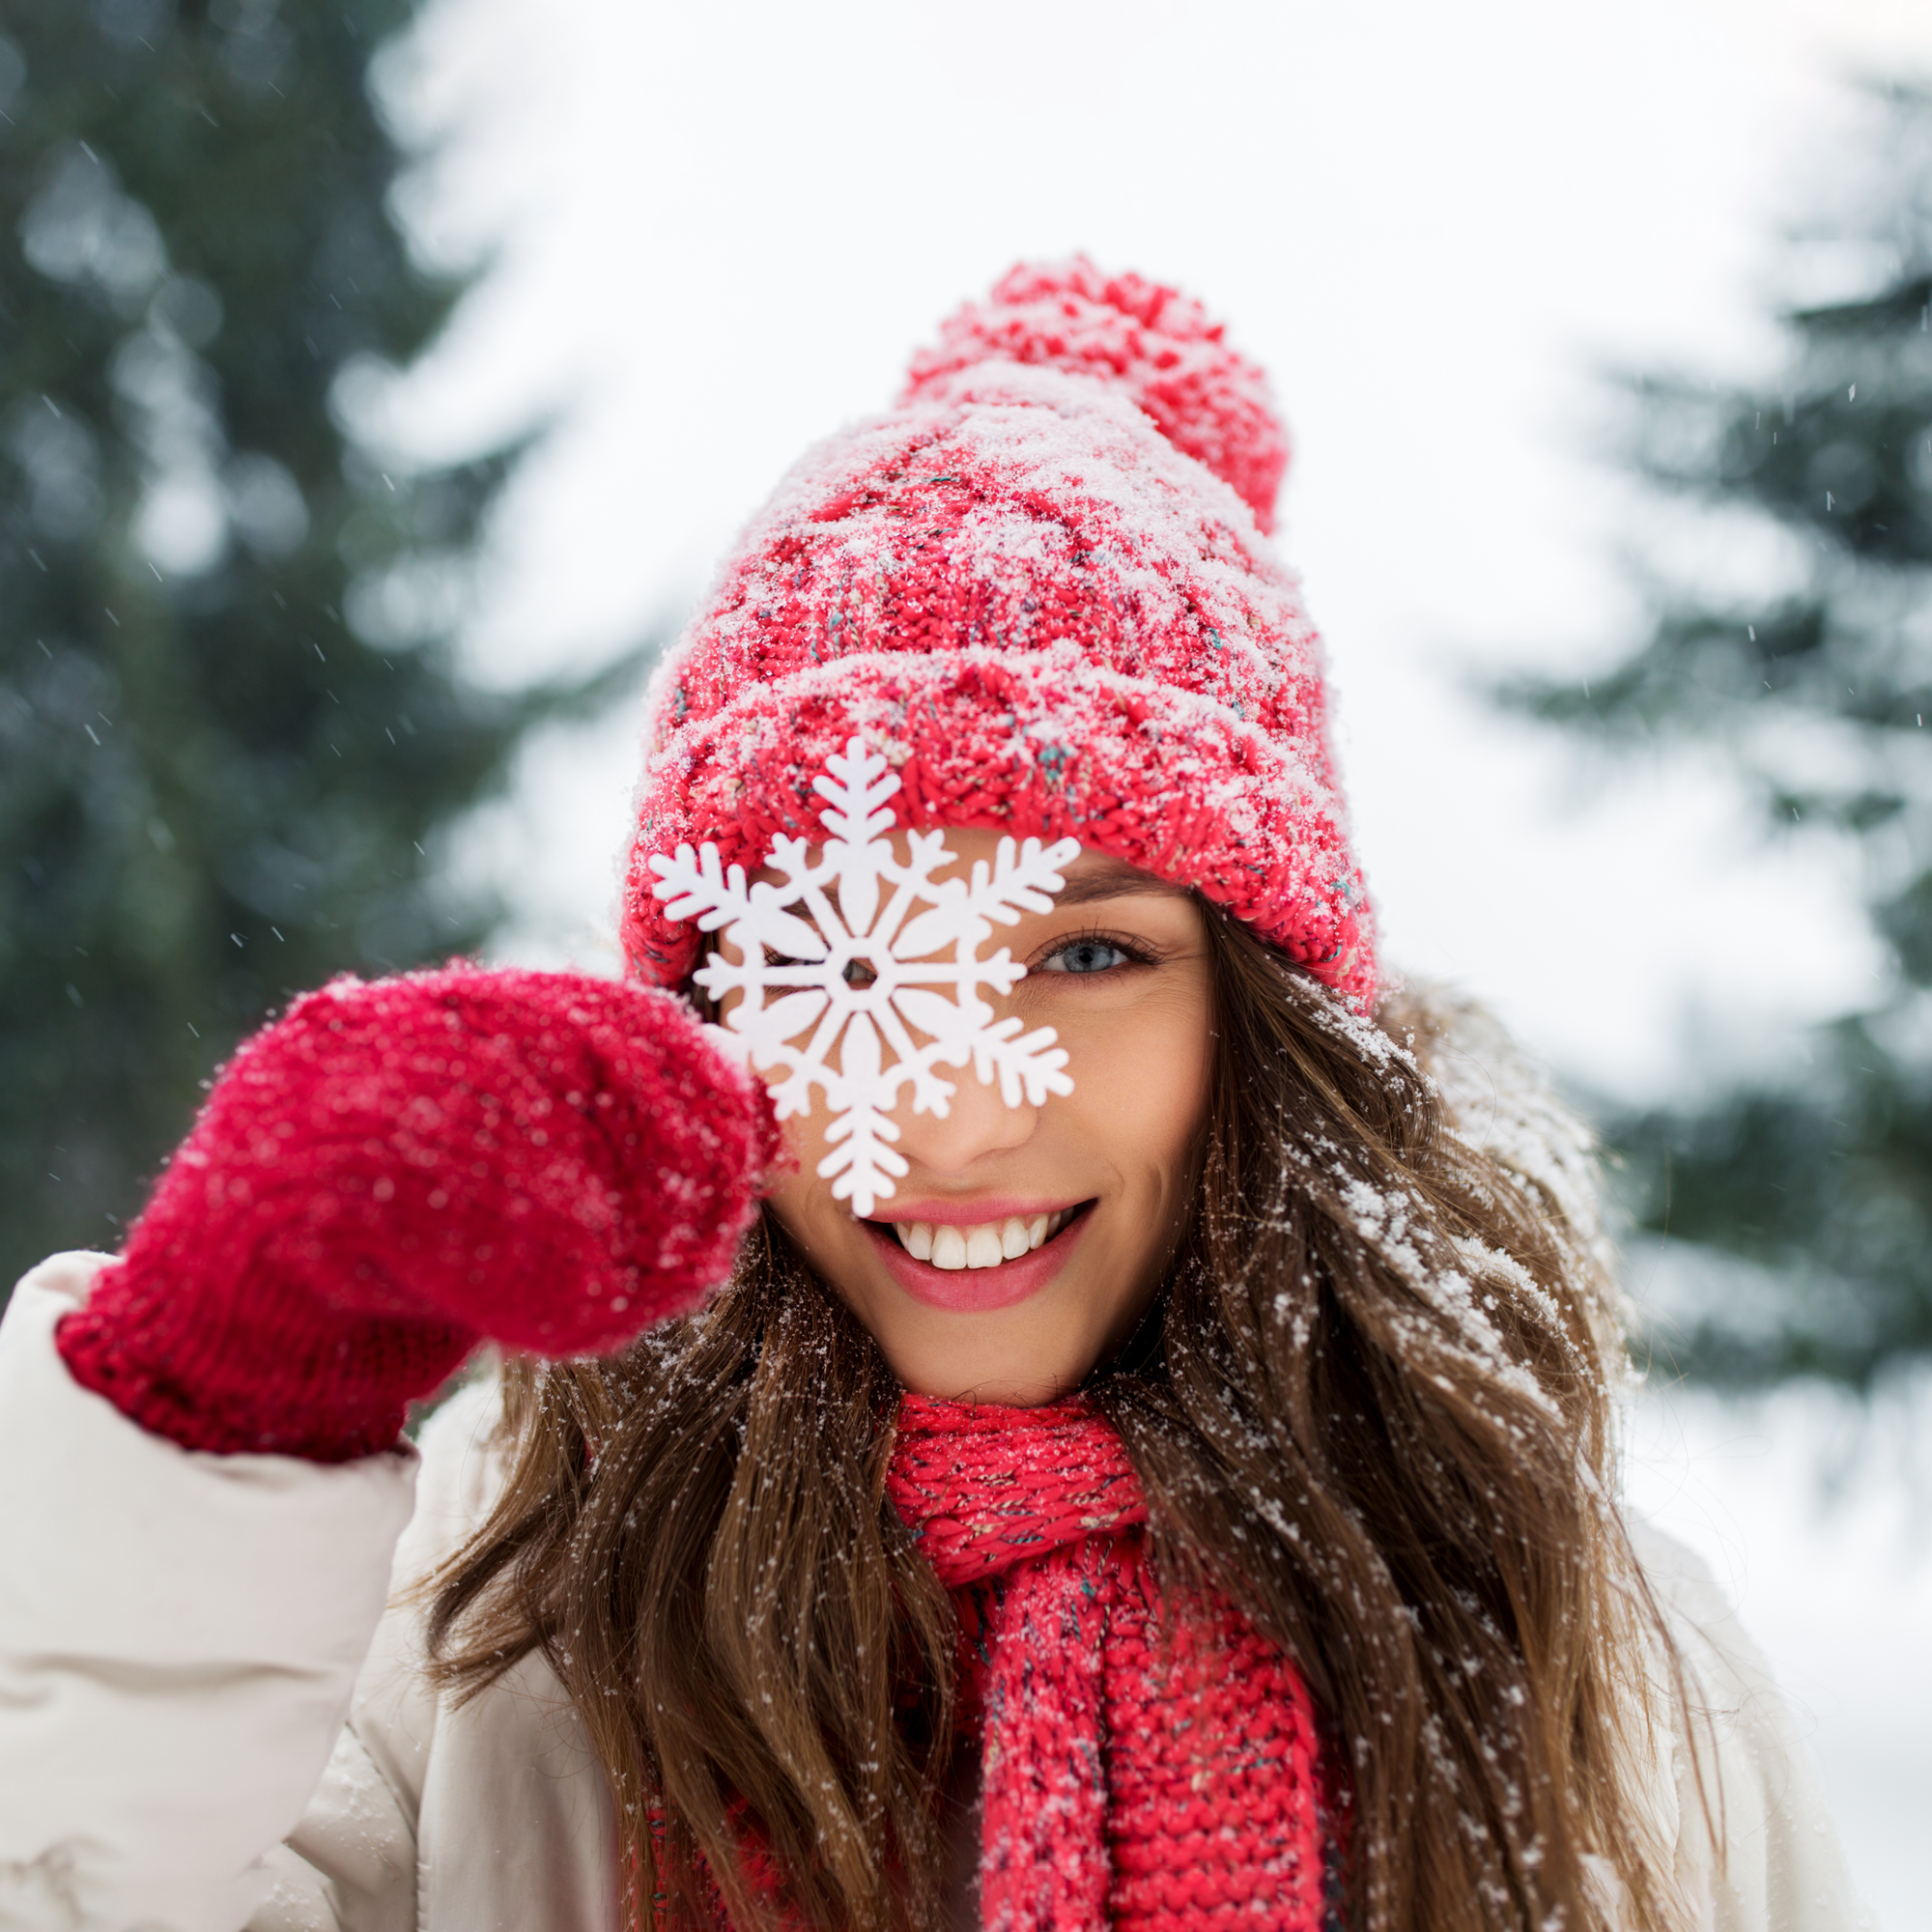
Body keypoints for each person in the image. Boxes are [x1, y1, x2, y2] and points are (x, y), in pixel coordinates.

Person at [0, 261, 1871, 1932]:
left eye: (1082, 954)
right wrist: (216, 1404)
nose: (957, 1120)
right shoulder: (481, 1608)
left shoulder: (1580, 1644)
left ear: (1258, 1012)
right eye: (842, 956)